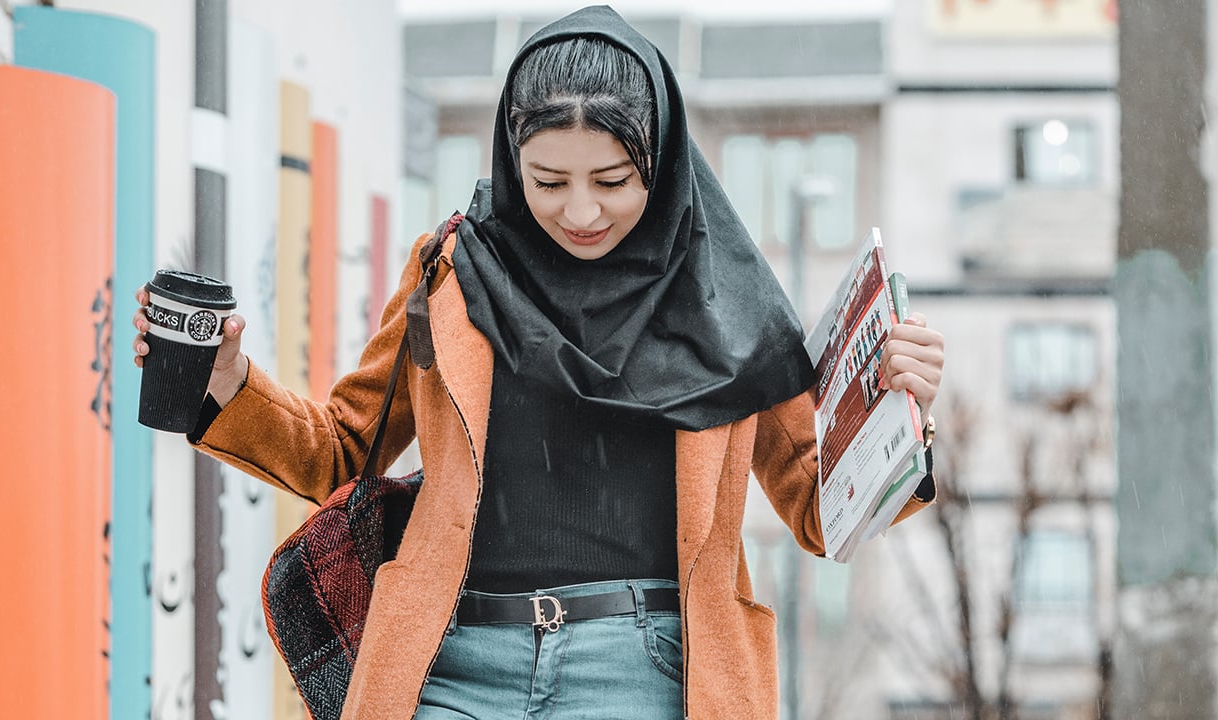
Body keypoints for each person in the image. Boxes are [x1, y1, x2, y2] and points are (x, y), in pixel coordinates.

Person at [133, 6, 944, 719]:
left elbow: (813, 505)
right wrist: (225, 382)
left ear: (659, 167)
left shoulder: (726, 304)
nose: (581, 211)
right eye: (549, 180)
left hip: (651, 673)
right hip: (449, 668)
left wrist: (898, 415)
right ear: (510, 159)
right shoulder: (450, 272)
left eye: (613, 181)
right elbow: (340, 451)